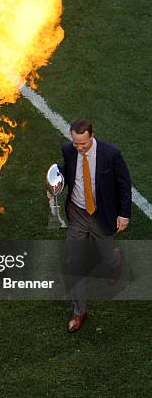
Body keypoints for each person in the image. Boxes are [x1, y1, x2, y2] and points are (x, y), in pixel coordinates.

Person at [58, 118, 132, 332]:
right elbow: (66, 170)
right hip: (77, 214)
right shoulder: (68, 151)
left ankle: (115, 260)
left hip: (102, 215)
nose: (79, 148)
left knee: (108, 255)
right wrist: (56, 180)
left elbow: (124, 185)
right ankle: (80, 311)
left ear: (91, 136)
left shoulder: (111, 154)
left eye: (83, 143)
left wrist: (124, 214)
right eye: (75, 143)